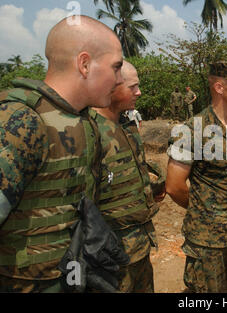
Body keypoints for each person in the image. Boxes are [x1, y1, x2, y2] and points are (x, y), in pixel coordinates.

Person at [0, 15, 124, 292]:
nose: (118, 79)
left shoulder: (86, 122)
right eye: (115, 67)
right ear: (84, 64)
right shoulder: (19, 120)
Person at [165, 61, 227, 293]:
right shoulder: (192, 129)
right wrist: (206, 211)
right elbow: (174, 186)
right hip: (208, 243)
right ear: (219, 87)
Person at [91, 61, 166, 292]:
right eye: (133, 87)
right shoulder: (88, 131)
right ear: (111, 86)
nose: (139, 92)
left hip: (139, 247)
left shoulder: (127, 125)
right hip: (109, 255)